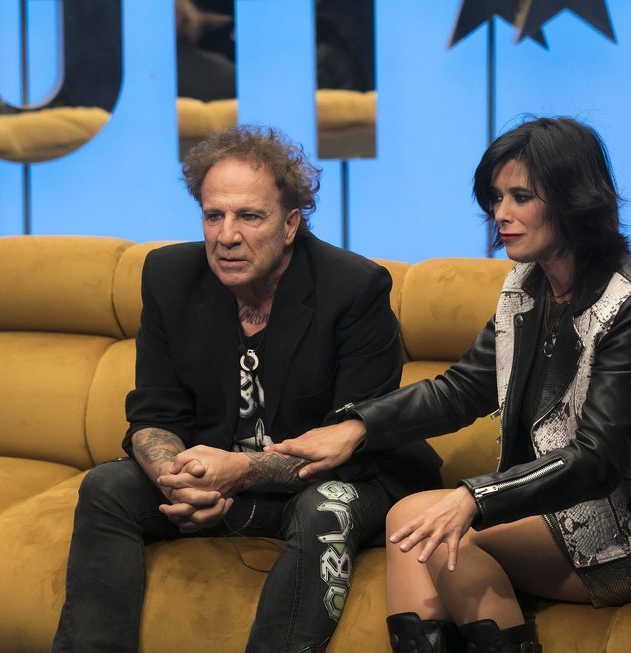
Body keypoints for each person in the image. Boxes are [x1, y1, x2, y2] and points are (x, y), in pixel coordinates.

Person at [268, 117, 631, 653]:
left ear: (574, 199)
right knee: (407, 522)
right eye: (496, 197)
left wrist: (475, 497)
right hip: (559, 502)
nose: (500, 213)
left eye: (520, 197)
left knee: (443, 540)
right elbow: (462, 389)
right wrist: (357, 428)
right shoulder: (527, 283)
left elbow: (598, 458)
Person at [51, 125, 441, 652]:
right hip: (221, 482)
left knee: (325, 507)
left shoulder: (354, 289)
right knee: (107, 487)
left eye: (250, 216)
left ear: (290, 224)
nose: (226, 236)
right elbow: (154, 414)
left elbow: (349, 445)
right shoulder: (169, 276)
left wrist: (238, 472)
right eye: (214, 215)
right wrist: (178, 480)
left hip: (332, 482)